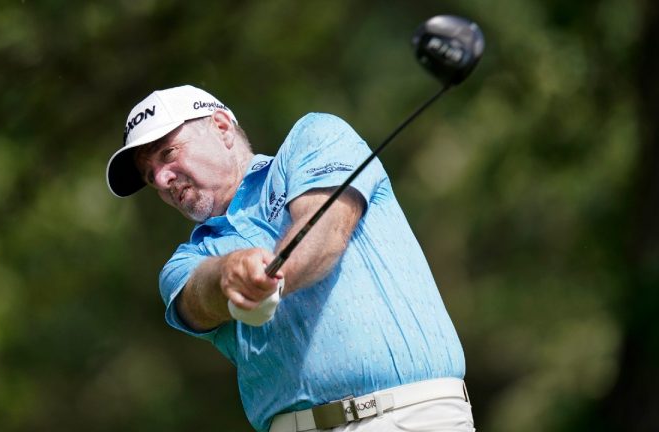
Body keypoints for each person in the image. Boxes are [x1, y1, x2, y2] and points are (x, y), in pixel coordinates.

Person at [106, 84, 474, 432]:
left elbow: (325, 231)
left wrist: (269, 279)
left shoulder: (315, 137)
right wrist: (231, 278)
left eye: (167, 153)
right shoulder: (187, 260)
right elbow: (200, 296)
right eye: (148, 174)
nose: (161, 178)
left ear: (221, 126)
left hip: (409, 417)